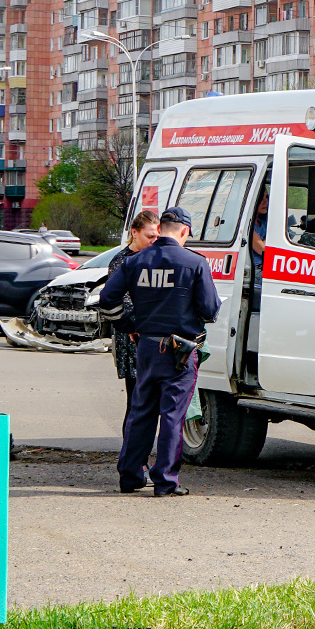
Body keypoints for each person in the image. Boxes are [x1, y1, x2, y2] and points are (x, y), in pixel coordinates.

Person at [100, 206, 220, 497]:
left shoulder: (134, 261)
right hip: (180, 351)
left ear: (162, 227)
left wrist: (130, 324)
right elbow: (210, 309)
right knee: (172, 415)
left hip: (147, 346)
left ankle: (130, 476)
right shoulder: (194, 262)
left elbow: (106, 302)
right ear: (184, 231)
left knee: (140, 413)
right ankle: (165, 481)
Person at [109, 209, 160, 391]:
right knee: (136, 400)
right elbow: (119, 300)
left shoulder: (157, 257)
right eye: (149, 236)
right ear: (135, 233)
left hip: (153, 334)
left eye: (157, 236)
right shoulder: (122, 261)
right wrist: (135, 325)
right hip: (132, 335)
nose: (154, 240)